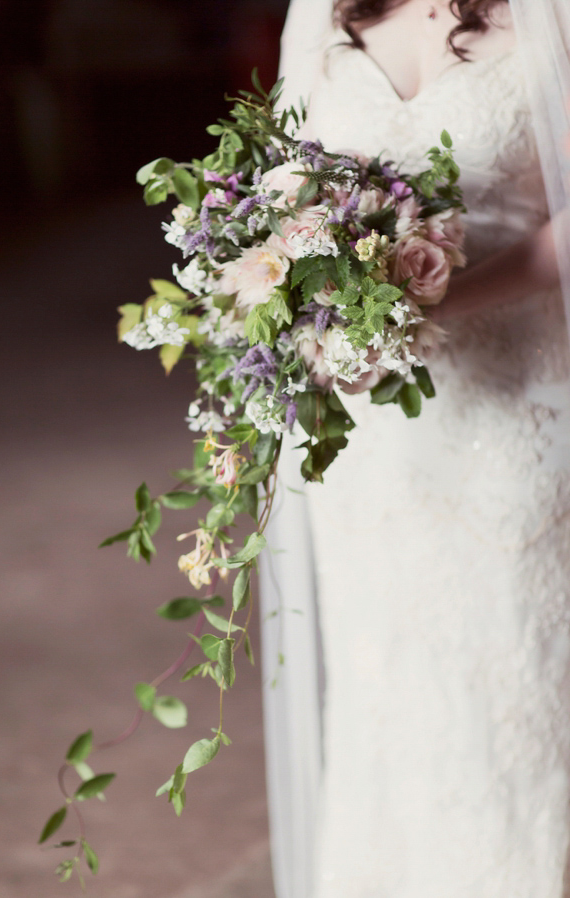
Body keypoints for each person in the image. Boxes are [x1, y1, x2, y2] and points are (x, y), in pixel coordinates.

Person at [262, 1, 570, 896]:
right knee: (387, 701)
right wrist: (303, 311)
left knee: (510, 700)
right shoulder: (320, 14)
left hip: (519, 420)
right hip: (371, 450)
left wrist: (428, 305)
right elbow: (280, 196)